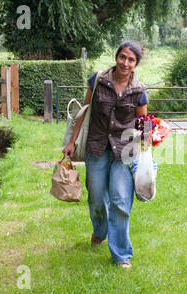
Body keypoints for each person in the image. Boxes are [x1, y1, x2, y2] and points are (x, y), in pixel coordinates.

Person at [63, 41, 148, 269]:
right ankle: (100, 231)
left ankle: (122, 255)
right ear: (116, 56)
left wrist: (147, 145)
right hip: (96, 148)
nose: (125, 63)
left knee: (120, 200)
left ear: (136, 64)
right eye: (122, 57)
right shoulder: (98, 80)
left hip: (124, 152)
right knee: (97, 197)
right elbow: (84, 111)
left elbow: (143, 124)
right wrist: (72, 141)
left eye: (131, 60)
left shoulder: (139, 91)